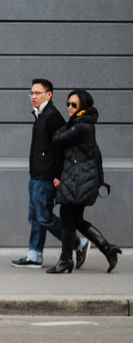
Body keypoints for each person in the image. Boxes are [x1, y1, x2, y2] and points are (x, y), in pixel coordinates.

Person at [12, 79, 89, 269]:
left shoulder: (52, 116)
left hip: (46, 176)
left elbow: (60, 147)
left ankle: (79, 243)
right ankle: (34, 255)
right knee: (36, 217)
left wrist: (57, 175)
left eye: (38, 93)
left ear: (49, 94)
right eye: (31, 93)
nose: (33, 97)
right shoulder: (40, 115)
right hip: (37, 174)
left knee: (44, 217)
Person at [46, 89, 121, 274]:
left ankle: (66, 260)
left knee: (67, 216)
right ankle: (107, 249)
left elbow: (56, 138)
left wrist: (67, 123)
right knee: (76, 219)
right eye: (68, 104)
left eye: (74, 105)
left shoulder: (81, 126)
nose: (69, 108)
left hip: (79, 179)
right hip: (78, 177)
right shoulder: (80, 123)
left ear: (83, 108)